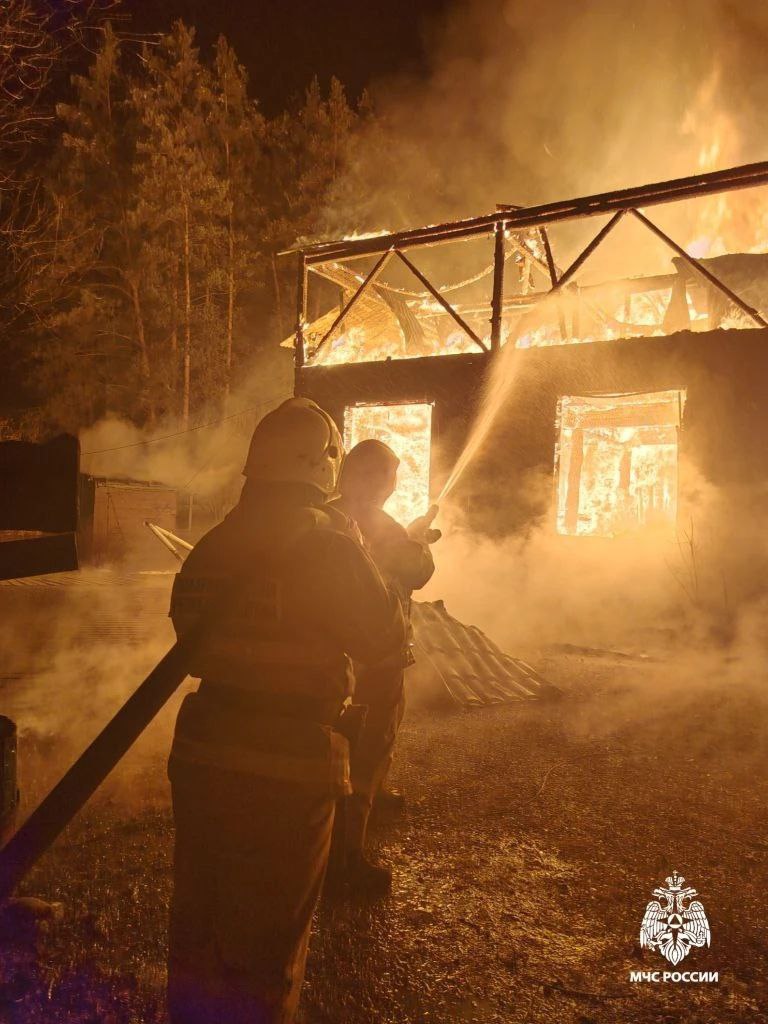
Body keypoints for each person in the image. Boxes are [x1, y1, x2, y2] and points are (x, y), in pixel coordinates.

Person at [166, 399, 405, 1024]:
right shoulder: (328, 543)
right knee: (268, 942)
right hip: (288, 762)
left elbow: (188, 640)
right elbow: (385, 642)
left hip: (201, 749)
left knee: (201, 922)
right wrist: (370, 554)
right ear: (320, 463)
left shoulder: (213, 545)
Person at [329, 439, 440, 894]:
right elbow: (417, 571)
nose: (393, 484)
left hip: (340, 651)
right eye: (390, 475)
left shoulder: (328, 513)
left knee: (353, 734)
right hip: (378, 653)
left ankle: (372, 798)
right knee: (372, 740)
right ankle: (346, 858)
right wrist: (415, 538)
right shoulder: (382, 525)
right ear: (374, 479)